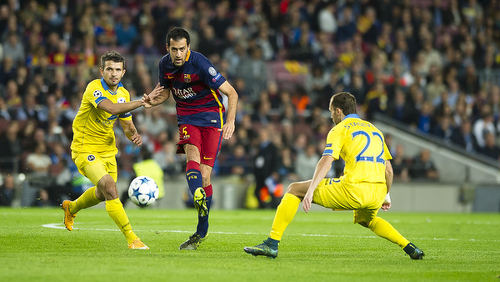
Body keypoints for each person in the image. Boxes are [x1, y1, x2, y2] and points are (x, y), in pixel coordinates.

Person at [244, 92, 424, 259]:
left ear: (338, 111)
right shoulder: (374, 130)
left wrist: (310, 190)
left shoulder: (340, 129)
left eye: (331, 111)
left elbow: (326, 160)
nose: (330, 116)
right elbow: (389, 170)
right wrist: (385, 194)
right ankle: (409, 247)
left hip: (354, 189)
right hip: (377, 192)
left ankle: (271, 243)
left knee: (294, 189)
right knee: (366, 220)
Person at [146, 27, 238, 250]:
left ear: (188, 47)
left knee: (205, 177)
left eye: (182, 49)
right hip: (187, 118)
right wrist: (152, 101)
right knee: (192, 157)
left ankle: (201, 229)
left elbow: (232, 93)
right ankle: (196, 194)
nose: (178, 54)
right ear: (167, 48)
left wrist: (231, 121)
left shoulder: (201, 64)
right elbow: (166, 92)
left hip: (211, 117)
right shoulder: (164, 64)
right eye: (174, 49)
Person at [60, 50, 163, 250]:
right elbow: (112, 109)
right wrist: (142, 102)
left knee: (101, 193)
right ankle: (132, 238)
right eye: (109, 69)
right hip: (84, 148)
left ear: (123, 72)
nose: (113, 73)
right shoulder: (94, 88)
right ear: (102, 71)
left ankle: (71, 207)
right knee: (110, 187)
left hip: (108, 150)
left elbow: (125, 123)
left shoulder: (124, 94)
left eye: (117, 70)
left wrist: (133, 134)